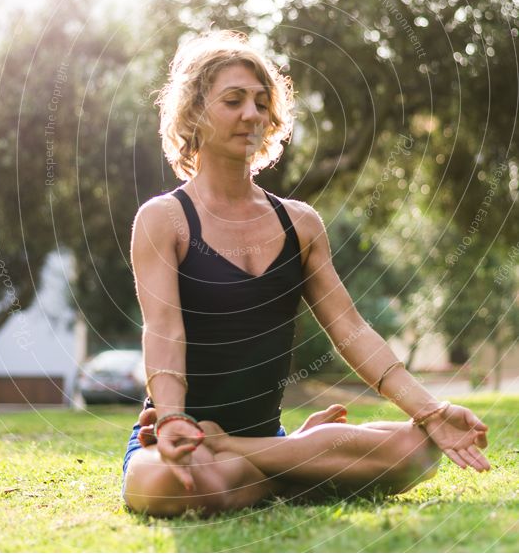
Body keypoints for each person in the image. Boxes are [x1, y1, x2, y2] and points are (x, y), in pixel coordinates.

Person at [122, 30, 490, 517]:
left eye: (260, 101)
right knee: (169, 486)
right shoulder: (164, 220)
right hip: (180, 441)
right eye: (233, 101)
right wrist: (170, 420)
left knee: (418, 450)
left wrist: (431, 411)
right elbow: (164, 330)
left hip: (255, 439)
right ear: (193, 113)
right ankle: (300, 461)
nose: (251, 114)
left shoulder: (300, 223)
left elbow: (351, 330)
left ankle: (251, 453)